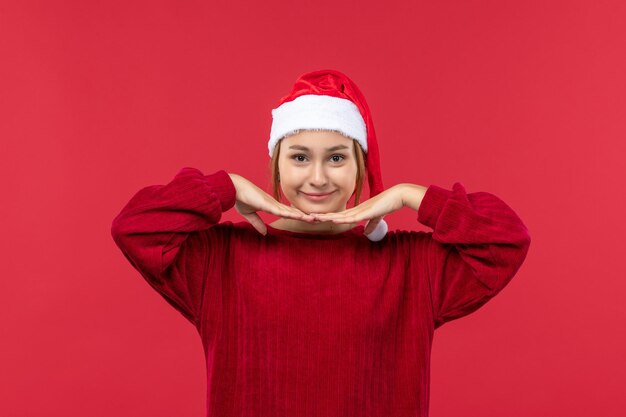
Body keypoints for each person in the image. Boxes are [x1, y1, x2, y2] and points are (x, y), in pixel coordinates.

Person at [110, 69, 531, 417]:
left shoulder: (411, 265)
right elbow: (135, 226)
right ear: (275, 162)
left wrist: (409, 194)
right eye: (299, 157)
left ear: (359, 164)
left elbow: (506, 239)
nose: (317, 177)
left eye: (336, 157)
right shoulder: (220, 258)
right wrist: (225, 187)